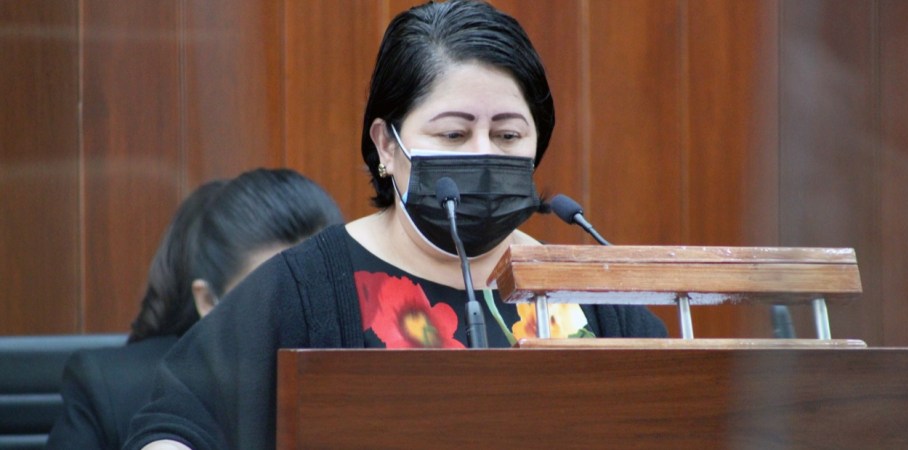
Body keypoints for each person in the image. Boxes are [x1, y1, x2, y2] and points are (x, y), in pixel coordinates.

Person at [124, 1, 668, 449]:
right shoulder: (308, 287)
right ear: (387, 145)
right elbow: (175, 422)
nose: (482, 154)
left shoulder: (592, 300)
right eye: (453, 135)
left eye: (507, 136)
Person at [46, 168, 343, 450]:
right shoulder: (115, 390)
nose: (298, 321)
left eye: (320, 295)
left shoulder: (356, 383)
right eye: (272, 302)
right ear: (209, 302)